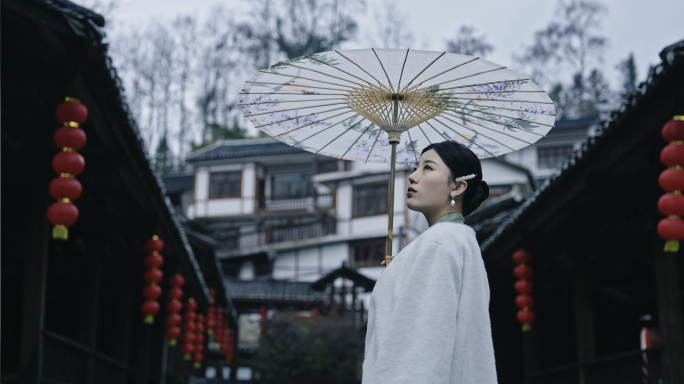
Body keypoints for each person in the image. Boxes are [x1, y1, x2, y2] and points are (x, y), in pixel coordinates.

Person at [361, 141, 497, 384]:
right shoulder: (459, 242)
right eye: (416, 167)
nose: (413, 176)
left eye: (427, 168)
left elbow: (419, 354)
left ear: (457, 186)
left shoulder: (439, 243)